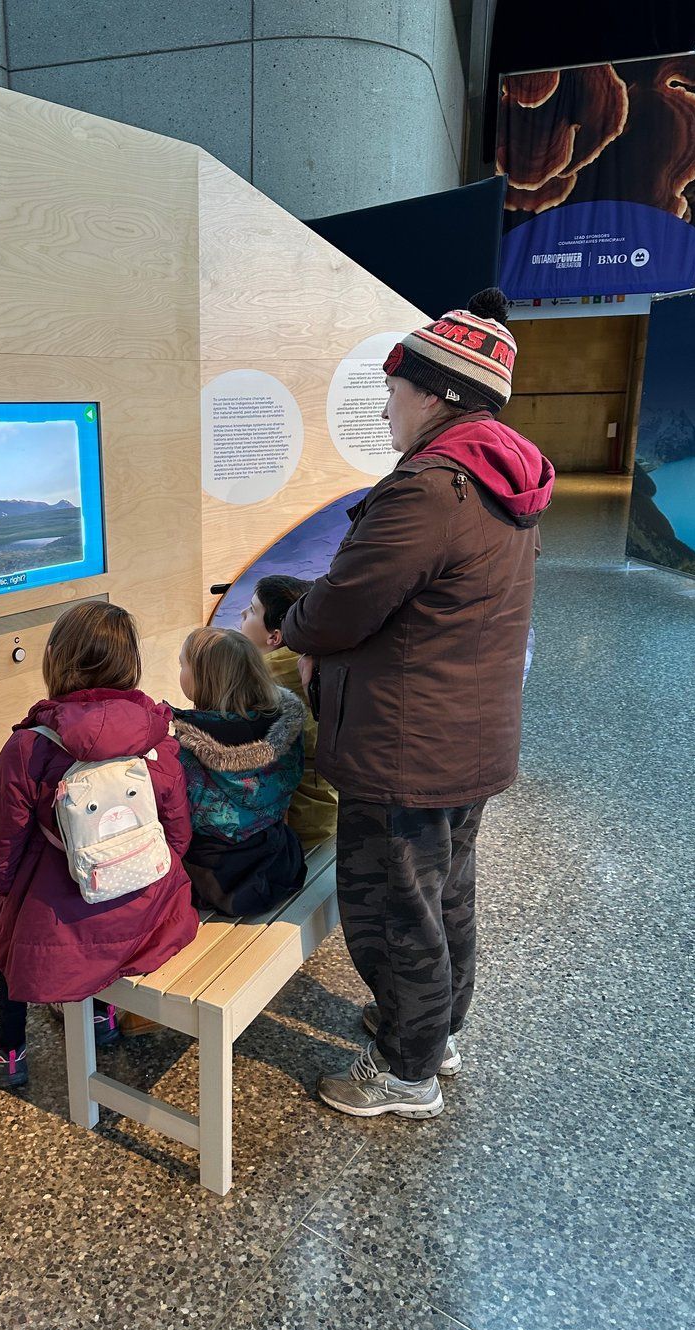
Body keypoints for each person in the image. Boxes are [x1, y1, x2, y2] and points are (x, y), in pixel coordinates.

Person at [282, 288, 555, 1120]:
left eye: (393, 388)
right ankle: (435, 1031)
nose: (385, 406)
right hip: (463, 737)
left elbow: (342, 606)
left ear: (436, 394)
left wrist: (294, 624)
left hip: (406, 747)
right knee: (444, 895)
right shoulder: (501, 477)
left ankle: (406, 1071)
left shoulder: (431, 489)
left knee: (394, 909)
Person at [0, 601, 198, 1086]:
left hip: (62, 929)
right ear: (131, 662)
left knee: (8, 922)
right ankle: (100, 1015)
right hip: (151, 917)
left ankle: (9, 1048)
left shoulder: (30, 747)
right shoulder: (155, 738)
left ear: (55, 657)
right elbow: (178, 836)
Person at [171, 626, 307, 917]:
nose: (180, 671)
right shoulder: (285, 728)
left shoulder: (184, 748)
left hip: (216, 881)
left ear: (203, 679)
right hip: (280, 860)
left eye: (183, 665)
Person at [239, 575, 338, 848]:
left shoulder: (258, 687)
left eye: (252, 610)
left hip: (298, 834)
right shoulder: (324, 667)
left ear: (274, 637)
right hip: (332, 821)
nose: (243, 613)